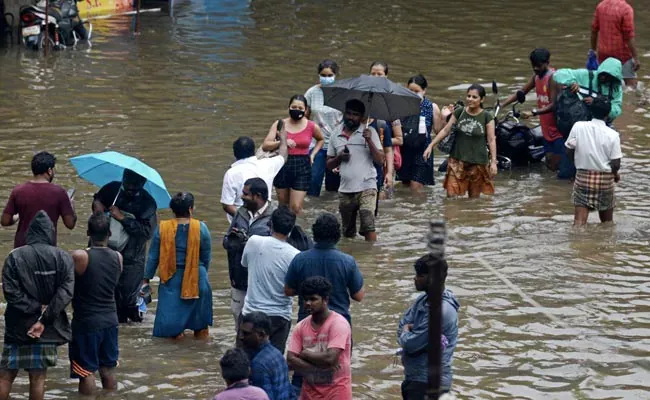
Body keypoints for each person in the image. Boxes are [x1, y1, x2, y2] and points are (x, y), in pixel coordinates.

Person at [0, 211, 74, 400]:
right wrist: (44, 315)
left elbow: (10, 293)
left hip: (18, 326)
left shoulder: (15, 256)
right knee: (38, 377)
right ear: (50, 233)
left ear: (29, 233)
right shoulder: (63, 257)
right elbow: (66, 293)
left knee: (6, 375)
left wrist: (34, 308)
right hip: (47, 328)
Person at [144, 192, 213, 339]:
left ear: (172, 209)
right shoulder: (201, 228)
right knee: (200, 327)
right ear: (190, 209)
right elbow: (206, 257)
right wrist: (198, 273)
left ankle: (175, 357)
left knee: (172, 330)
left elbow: (153, 257)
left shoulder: (163, 228)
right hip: (197, 280)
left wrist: (146, 280)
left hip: (171, 280)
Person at [92, 168, 157, 323]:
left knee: (128, 300)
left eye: (134, 187)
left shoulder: (148, 203)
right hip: (107, 252)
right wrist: (98, 208)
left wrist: (122, 218)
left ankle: (134, 321)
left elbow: (146, 233)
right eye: (126, 185)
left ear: (142, 184)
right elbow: (97, 201)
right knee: (105, 296)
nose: (129, 189)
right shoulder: (112, 189)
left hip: (132, 257)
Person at [69, 213, 122, 395]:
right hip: (110, 320)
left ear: (87, 233)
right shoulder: (118, 257)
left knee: (86, 371)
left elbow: (66, 284)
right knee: (107, 369)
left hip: (87, 322)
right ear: (109, 233)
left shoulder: (80, 256)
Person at [284, 212, 364, 327]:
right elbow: (358, 296)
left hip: (308, 323)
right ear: (337, 235)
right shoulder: (347, 261)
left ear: (315, 233)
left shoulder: (300, 259)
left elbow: (288, 291)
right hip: (339, 325)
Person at [397, 254, 460, 399]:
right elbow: (402, 325)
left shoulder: (441, 311)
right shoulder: (423, 300)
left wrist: (408, 331)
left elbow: (410, 344)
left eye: (419, 275)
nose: (415, 278)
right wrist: (408, 332)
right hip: (415, 378)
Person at [552, 58, 624, 180]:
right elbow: (558, 74)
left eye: (608, 77)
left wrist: (596, 103)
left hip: (601, 126)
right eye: (603, 74)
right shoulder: (585, 75)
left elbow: (617, 109)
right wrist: (572, 82)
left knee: (599, 161)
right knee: (566, 170)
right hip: (577, 124)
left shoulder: (616, 88)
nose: (604, 78)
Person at [241, 206, 300, 353]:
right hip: (279, 317)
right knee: (273, 363)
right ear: (291, 229)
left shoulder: (254, 241)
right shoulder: (296, 255)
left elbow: (244, 264)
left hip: (252, 313)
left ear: (271, 224)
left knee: (243, 362)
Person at [326, 99, 385, 241]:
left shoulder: (370, 132)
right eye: (349, 113)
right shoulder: (335, 134)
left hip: (367, 186)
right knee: (347, 231)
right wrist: (339, 158)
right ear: (344, 113)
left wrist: (370, 141)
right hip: (345, 189)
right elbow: (328, 165)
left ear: (362, 117)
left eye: (355, 114)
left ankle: (372, 259)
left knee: (368, 222)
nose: (351, 117)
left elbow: (381, 160)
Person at [425, 84, 497, 198]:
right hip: (456, 162)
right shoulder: (459, 112)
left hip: (477, 163)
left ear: (482, 99)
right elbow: (445, 130)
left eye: (474, 97)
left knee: (474, 199)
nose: (470, 99)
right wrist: (431, 145)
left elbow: (491, 139)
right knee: (451, 197)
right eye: (468, 96)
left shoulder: (487, 116)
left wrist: (493, 162)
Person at [286, 277, 352, 400]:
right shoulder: (301, 326)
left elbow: (330, 358)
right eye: (306, 299)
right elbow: (290, 361)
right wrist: (321, 372)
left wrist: (304, 354)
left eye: (313, 299)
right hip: (308, 394)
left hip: (336, 393)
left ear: (325, 300)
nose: (308, 303)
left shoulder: (338, 324)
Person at [502, 49, 565, 173]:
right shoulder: (536, 77)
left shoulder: (553, 78)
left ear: (547, 63)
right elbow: (521, 92)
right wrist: (502, 104)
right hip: (546, 128)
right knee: (550, 164)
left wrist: (533, 112)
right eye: (533, 66)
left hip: (558, 129)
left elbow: (554, 105)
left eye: (539, 66)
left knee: (559, 166)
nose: (536, 68)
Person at [263, 95, 324, 215]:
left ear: (305, 110)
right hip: (282, 165)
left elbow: (321, 140)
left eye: (300, 107)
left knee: (295, 207)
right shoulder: (279, 124)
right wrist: (282, 142)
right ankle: (283, 231)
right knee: (283, 207)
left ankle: (294, 230)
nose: (296, 109)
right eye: (293, 107)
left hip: (302, 167)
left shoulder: (311, 126)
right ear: (289, 108)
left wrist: (313, 155)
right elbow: (266, 145)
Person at [565, 98, 622, 226]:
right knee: (607, 223)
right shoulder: (613, 135)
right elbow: (616, 164)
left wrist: (577, 165)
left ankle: (577, 244)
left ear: (590, 111)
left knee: (579, 223)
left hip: (583, 178)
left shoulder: (578, 126)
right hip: (605, 180)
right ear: (608, 115)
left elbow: (568, 151)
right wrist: (615, 174)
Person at [1, 151, 76, 248]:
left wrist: (18, 216)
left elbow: (5, 221)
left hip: (22, 249)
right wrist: (71, 205)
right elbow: (70, 224)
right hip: (47, 249)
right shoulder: (59, 192)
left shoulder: (18, 191)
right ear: (49, 170)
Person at [223, 177, 273, 324]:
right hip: (239, 279)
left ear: (257, 196)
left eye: (245, 194)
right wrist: (233, 242)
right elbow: (226, 241)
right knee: (238, 320)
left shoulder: (274, 217)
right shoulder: (241, 213)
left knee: (259, 325)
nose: (241, 197)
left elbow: (276, 250)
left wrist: (250, 243)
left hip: (262, 283)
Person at [221, 131, 288, 223]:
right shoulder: (268, 164)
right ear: (254, 151)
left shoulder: (231, 173)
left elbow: (227, 205)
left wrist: (246, 220)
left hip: (240, 224)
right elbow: (283, 156)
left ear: (235, 153)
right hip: (264, 217)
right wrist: (283, 139)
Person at [398, 74, 444, 192]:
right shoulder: (401, 106)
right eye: (410, 90)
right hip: (405, 150)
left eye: (416, 91)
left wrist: (443, 117)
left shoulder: (432, 107)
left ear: (424, 91)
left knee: (416, 186)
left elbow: (438, 131)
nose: (413, 94)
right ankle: (413, 210)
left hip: (423, 151)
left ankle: (421, 206)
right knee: (405, 185)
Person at [305, 59, 343, 197]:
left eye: (329, 75)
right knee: (313, 182)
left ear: (335, 75)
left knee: (334, 187)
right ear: (318, 75)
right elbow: (305, 118)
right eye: (323, 75)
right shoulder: (311, 93)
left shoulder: (343, 93)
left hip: (337, 145)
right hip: (316, 145)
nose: (326, 78)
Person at [239, 312, 295, 400]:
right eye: (241, 332)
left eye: (246, 333)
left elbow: (264, 397)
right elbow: (290, 390)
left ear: (261, 335)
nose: (241, 337)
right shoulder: (277, 354)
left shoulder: (258, 364)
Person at [368, 61, 400, 199]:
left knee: (385, 194)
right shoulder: (364, 95)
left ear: (386, 76)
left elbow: (399, 138)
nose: (376, 77)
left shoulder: (391, 102)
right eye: (373, 74)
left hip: (385, 154)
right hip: (364, 150)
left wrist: (380, 141)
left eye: (379, 74)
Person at [591, 0, 640, 88]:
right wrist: (635, 57)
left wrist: (593, 50)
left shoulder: (601, 6)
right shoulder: (626, 9)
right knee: (631, 86)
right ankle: (630, 101)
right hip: (622, 54)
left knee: (605, 85)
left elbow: (594, 30)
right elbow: (629, 36)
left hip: (603, 54)